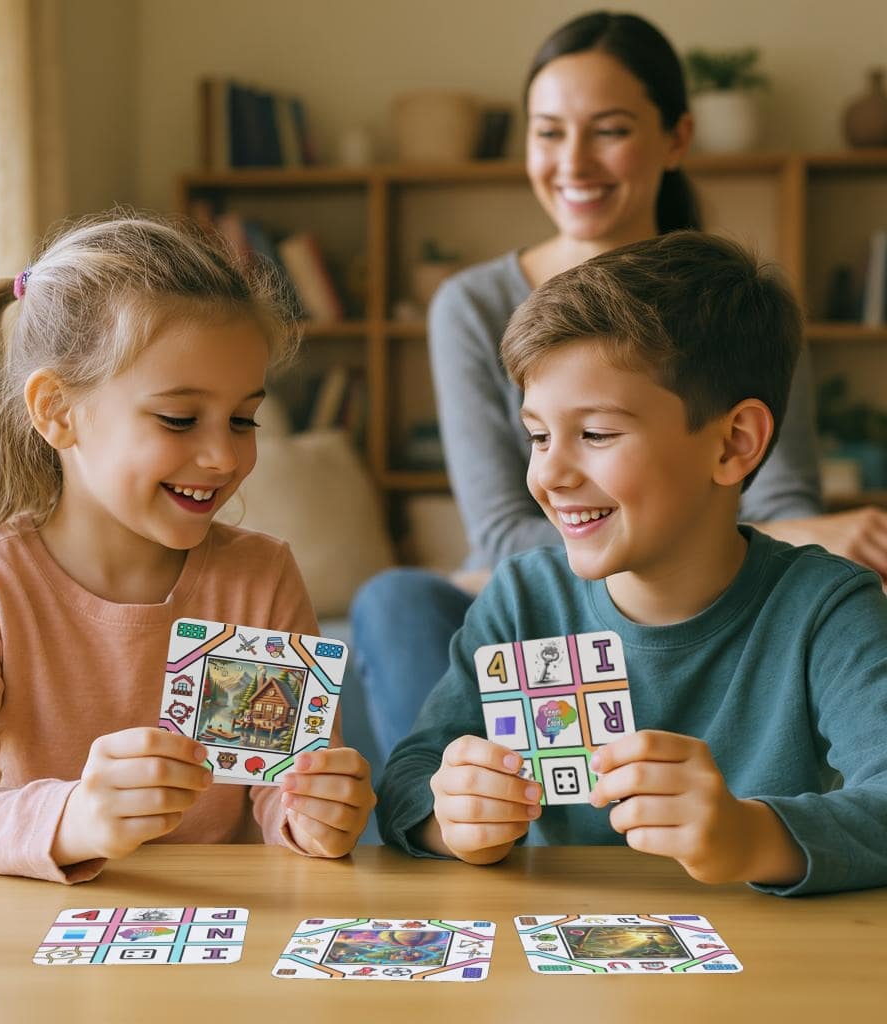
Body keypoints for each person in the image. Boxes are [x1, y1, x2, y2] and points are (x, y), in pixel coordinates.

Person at [351, 10, 887, 771]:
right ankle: (459, 831)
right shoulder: (471, 304)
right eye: (547, 131)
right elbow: (504, 537)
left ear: (676, 138)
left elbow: (778, 499)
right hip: (535, 593)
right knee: (396, 601)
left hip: (695, 576)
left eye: (608, 129)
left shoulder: (737, 309)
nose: (573, 160)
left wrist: (813, 541)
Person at [377, 231, 887, 896]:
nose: (549, 473)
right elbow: (407, 782)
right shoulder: (523, 600)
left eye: (595, 434)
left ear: (734, 443)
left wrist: (748, 836)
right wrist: (452, 819)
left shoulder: (827, 607)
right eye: (537, 436)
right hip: (557, 980)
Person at [0, 214, 375, 883]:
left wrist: (313, 817)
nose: (223, 455)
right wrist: (76, 817)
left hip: (222, 940)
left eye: (243, 419)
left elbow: (281, 796)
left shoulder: (256, 578)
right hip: (31, 948)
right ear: (57, 411)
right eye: (179, 419)